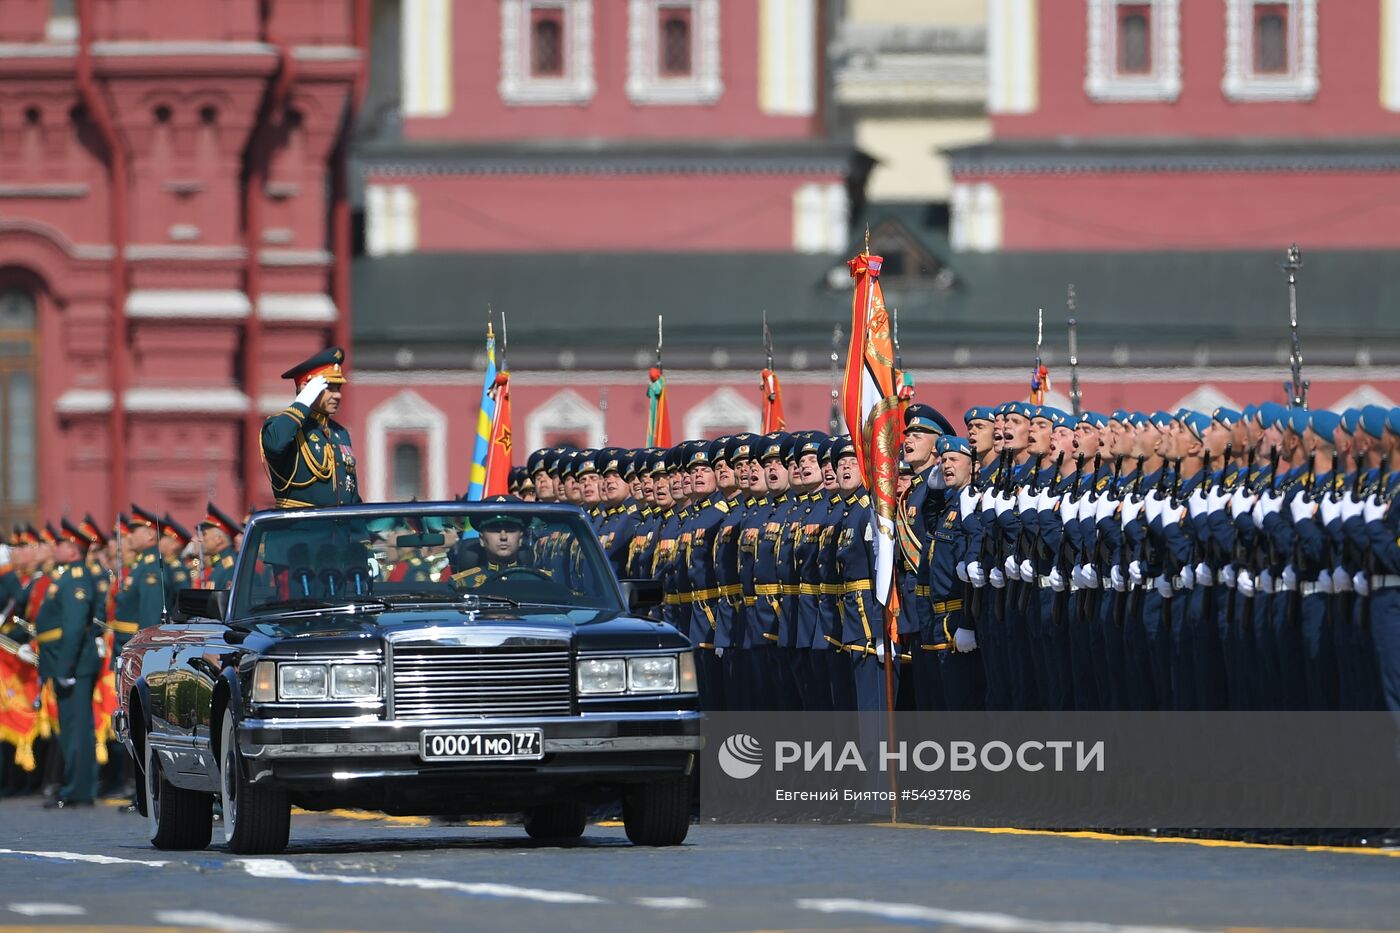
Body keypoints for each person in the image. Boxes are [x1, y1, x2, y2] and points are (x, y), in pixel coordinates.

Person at [36, 520, 101, 809]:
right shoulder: (67, 576)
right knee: (70, 726)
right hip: (63, 661)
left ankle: (79, 789)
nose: (55, 547)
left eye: (60, 544)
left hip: (74, 664)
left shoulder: (76, 579)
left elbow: (74, 628)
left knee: (77, 728)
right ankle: (74, 785)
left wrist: (64, 668)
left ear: (74, 551)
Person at [261, 346, 360, 508]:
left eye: (338, 388)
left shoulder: (339, 433)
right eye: (329, 388)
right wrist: (303, 401)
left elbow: (351, 494)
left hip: (339, 530)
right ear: (306, 388)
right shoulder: (284, 426)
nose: (337, 395)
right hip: (302, 529)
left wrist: (360, 532)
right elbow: (275, 444)